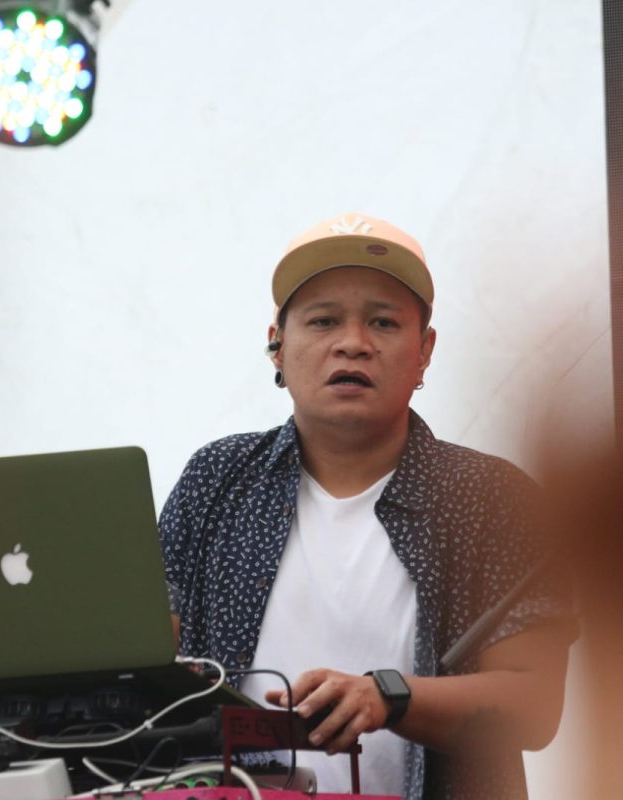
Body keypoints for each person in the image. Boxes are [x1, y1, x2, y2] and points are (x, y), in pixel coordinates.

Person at [159, 213, 576, 800]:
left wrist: (389, 697)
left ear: (425, 350)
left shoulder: (493, 497)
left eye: (383, 322)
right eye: (323, 320)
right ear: (277, 344)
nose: (352, 342)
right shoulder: (217, 479)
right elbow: (143, 670)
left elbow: (534, 706)